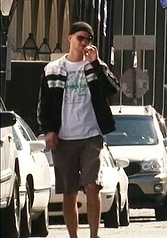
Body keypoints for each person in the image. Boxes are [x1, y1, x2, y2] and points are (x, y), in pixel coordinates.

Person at [38, 21, 120, 238]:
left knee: (92, 186)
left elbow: (112, 89)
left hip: (91, 135)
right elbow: (45, 104)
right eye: (80, 38)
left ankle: (94, 234)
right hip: (64, 137)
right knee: (69, 192)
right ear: (70, 38)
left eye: (88, 39)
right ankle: (73, 236)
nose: (84, 43)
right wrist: (49, 130)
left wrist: (97, 63)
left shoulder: (93, 66)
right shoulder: (53, 69)